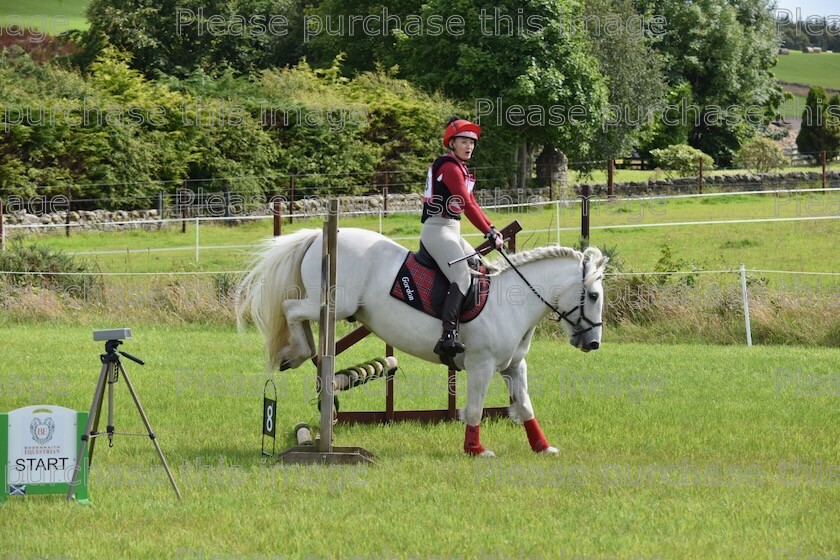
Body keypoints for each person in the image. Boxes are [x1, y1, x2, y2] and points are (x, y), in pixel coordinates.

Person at [421, 117, 504, 359]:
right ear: (452, 143)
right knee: (461, 274)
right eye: (464, 141)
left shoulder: (460, 168)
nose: (469, 147)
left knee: (481, 266)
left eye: (472, 143)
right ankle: (447, 335)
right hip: (437, 231)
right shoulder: (449, 167)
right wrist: (487, 232)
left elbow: (472, 203)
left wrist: (491, 227)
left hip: (451, 230)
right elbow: (466, 204)